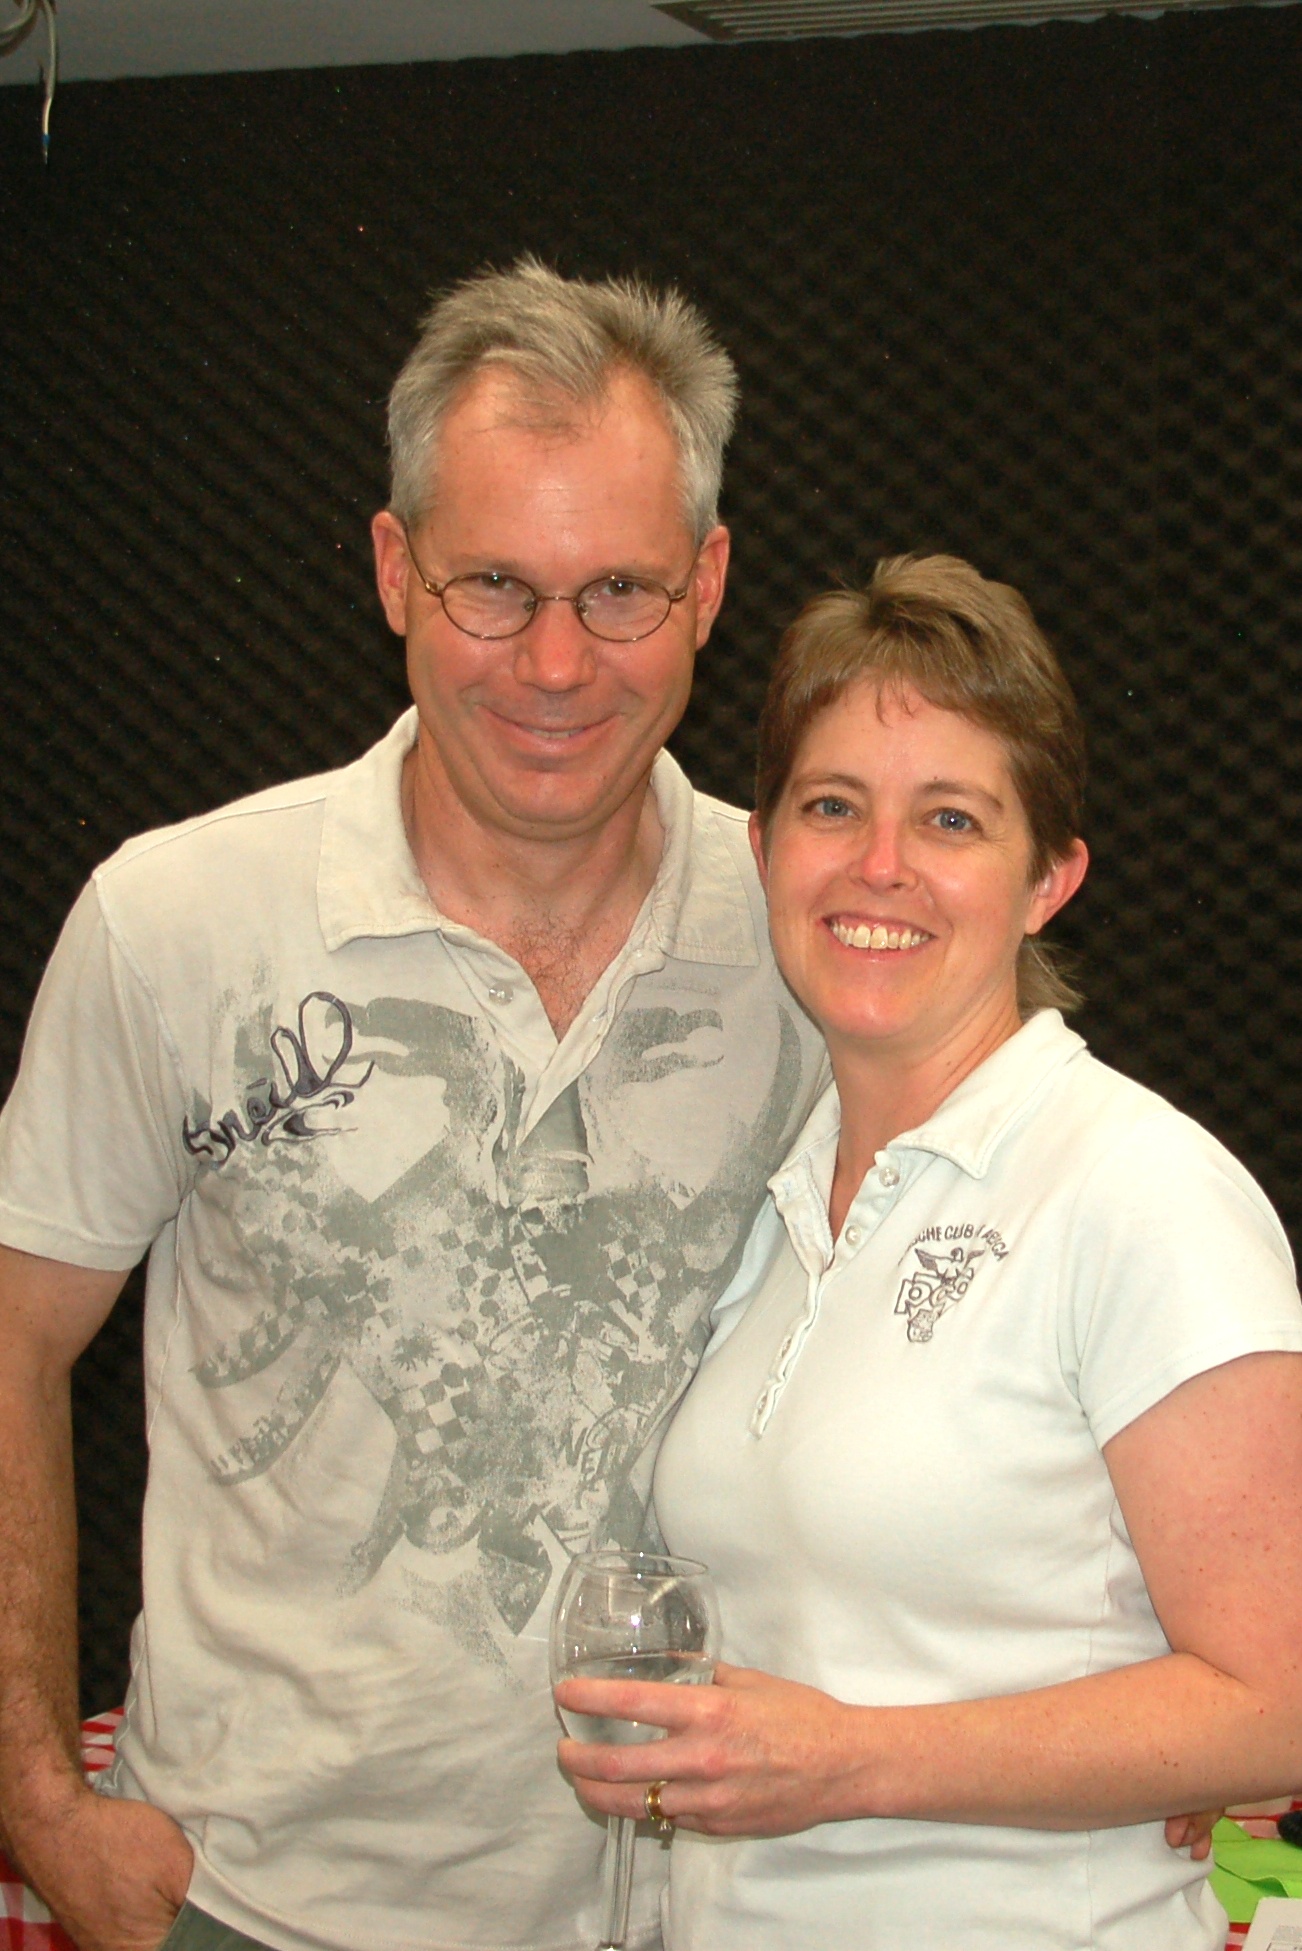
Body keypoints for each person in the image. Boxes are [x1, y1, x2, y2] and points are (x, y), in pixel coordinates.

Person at [0, 261, 831, 1951]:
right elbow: (12, 1335)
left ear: (707, 586)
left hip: (712, 1908)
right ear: (394, 571)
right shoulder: (175, 924)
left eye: (617, 592)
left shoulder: (820, 939)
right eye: (491, 588)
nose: (553, 665)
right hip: (253, 1908)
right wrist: (34, 1804)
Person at [556, 554, 1302, 1950]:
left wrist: (851, 1762)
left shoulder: (1140, 1194)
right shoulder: (776, 1209)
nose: (879, 864)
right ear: (763, 849)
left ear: (1048, 880)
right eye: (832, 806)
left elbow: (1280, 1706)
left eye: (951, 818)